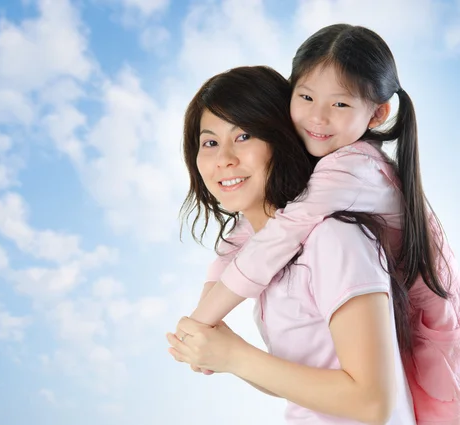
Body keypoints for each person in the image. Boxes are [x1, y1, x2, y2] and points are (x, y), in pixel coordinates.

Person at [174, 24, 459, 424]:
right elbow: (238, 250)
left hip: (436, 326)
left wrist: (224, 345)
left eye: (244, 136)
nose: (223, 158)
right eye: (209, 142)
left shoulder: (332, 228)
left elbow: (372, 403)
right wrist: (216, 342)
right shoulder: (271, 246)